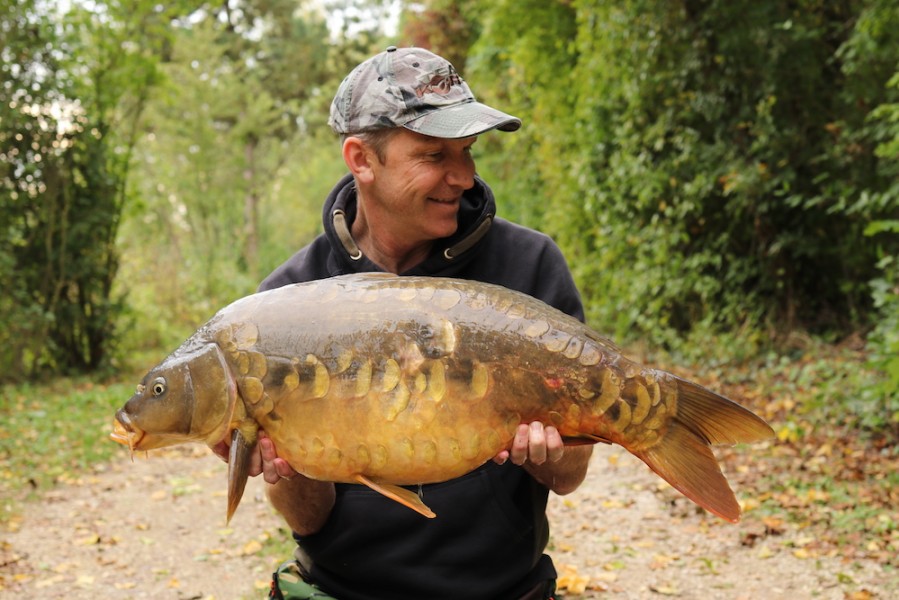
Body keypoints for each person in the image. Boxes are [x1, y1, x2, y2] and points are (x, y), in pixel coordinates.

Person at [218, 46, 594, 600]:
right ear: (361, 160)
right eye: (434, 156)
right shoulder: (285, 302)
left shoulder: (529, 264)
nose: (463, 177)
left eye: (467, 152)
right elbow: (307, 521)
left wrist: (550, 454)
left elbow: (570, 477)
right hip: (343, 590)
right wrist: (288, 461)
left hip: (501, 588)